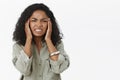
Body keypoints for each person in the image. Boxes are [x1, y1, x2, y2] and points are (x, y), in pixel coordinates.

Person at [12, 3, 70, 80]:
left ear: (50, 23)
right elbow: (24, 70)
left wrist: (48, 40)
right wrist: (28, 38)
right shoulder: (18, 46)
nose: (39, 24)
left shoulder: (57, 44)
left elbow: (59, 68)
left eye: (44, 21)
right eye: (34, 20)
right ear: (26, 23)